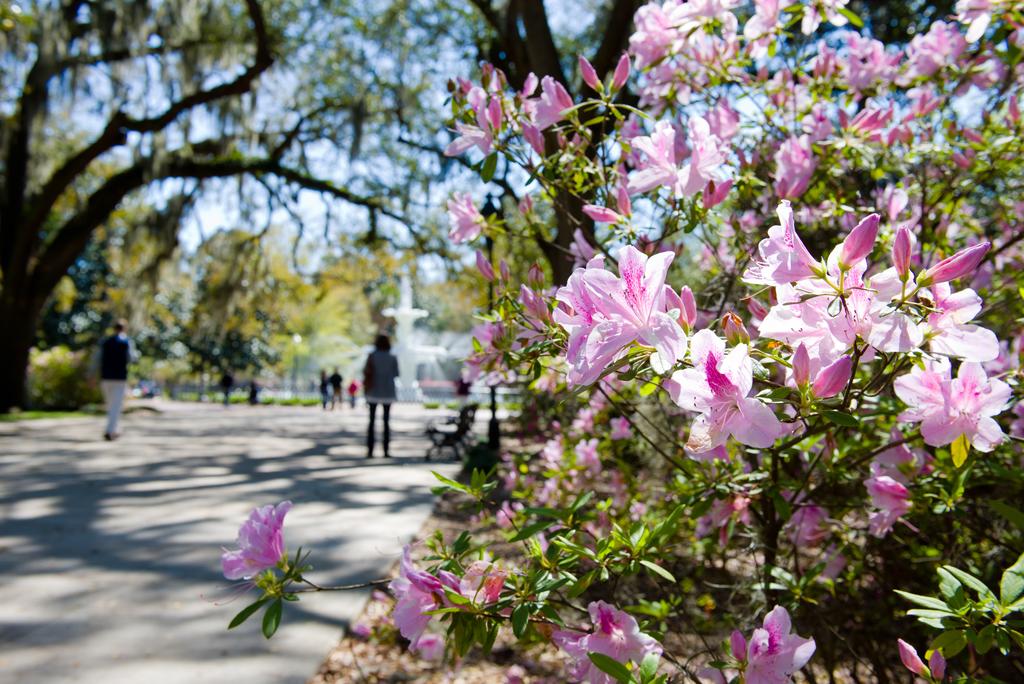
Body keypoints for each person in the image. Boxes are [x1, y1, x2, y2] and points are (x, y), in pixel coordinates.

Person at [364, 334, 399, 458]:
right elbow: (396, 373)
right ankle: (386, 450)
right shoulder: (392, 357)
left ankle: (370, 450)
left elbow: (366, 372)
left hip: (373, 391)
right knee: (386, 422)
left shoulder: (372, 356)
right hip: (388, 392)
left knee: (372, 421)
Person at [99, 320, 132, 441]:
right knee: (115, 406)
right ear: (124, 329)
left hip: (106, 378)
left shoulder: (105, 341)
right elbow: (131, 358)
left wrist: (91, 374)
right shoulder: (126, 341)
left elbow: (97, 358)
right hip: (119, 378)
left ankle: (114, 429)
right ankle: (111, 430)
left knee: (110, 405)